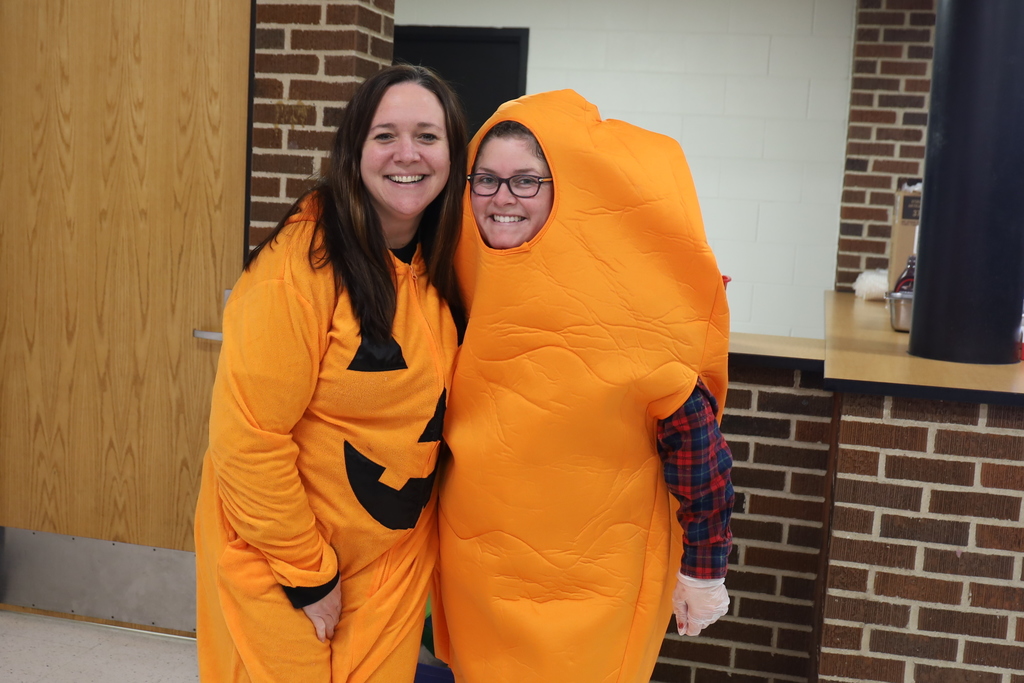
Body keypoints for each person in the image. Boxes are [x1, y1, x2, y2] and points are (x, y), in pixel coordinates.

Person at [431, 90, 734, 682]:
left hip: (591, 587)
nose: (501, 197)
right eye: (485, 179)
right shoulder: (455, 284)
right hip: (480, 576)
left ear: (564, 190)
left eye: (526, 181)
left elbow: (701, 455)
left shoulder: (636, 311)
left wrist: (704, 569)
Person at [193, 64, 468, 683]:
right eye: (385, 135)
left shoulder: (445, 265)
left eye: (427, 136)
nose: (407, 154)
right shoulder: (301, 266)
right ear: (353, 150)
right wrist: (308, 574)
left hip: (390, 566)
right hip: (282, 559)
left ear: (453, 155)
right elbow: (248, 439)